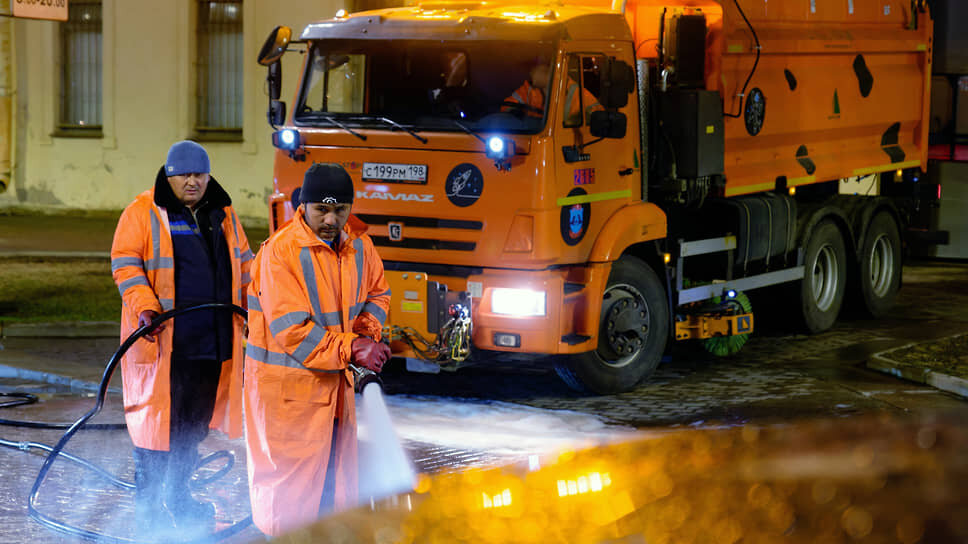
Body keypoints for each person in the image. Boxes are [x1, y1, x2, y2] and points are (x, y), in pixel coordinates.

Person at [111, 140, 252, 535]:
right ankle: (150, 514)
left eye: (200, 175)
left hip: (211, 343)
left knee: (193, 427)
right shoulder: (143, 212)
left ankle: (178, 495)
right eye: (184, 175)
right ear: (169, 175)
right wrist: (145, 306)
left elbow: (245, 265)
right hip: (164, 345)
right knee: (157, 431)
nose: (193, 182)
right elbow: (125, 265)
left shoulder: (223, 214)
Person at [243, 162, 391, 537]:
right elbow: (291, 330)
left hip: (331, 391)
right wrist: (354, 347)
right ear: (301, 207)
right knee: (290, 500)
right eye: (321, 209)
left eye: (340, 210)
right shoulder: (280, 253)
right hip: (287, 398)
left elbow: (378, 294)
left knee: (330, 492)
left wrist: (366, 334)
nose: (331, 219)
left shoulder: (360, 246)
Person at [503, 57, 602, 124]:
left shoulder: (579, 94)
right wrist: (514, 112)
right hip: (534, 135)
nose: (531, 74)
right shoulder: (528, 89)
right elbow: (507, 105)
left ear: (549, 72)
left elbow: (600, 120)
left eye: (535, 71)